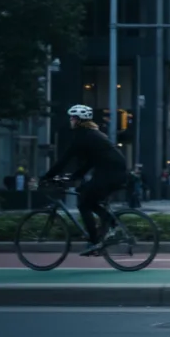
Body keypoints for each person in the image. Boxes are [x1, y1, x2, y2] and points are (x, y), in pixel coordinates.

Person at [41, 104, 131, 256]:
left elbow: (64, 159)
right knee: (87, 197)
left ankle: (95, 241)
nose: (70, 120)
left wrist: (47, 177)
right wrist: (76, 176)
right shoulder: (92, 134)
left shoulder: (83, 136)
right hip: (114, 173)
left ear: (78, 120)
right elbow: (91, 161)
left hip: (109, 174)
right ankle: (107, 225)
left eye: (72, 118)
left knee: (83, 203)